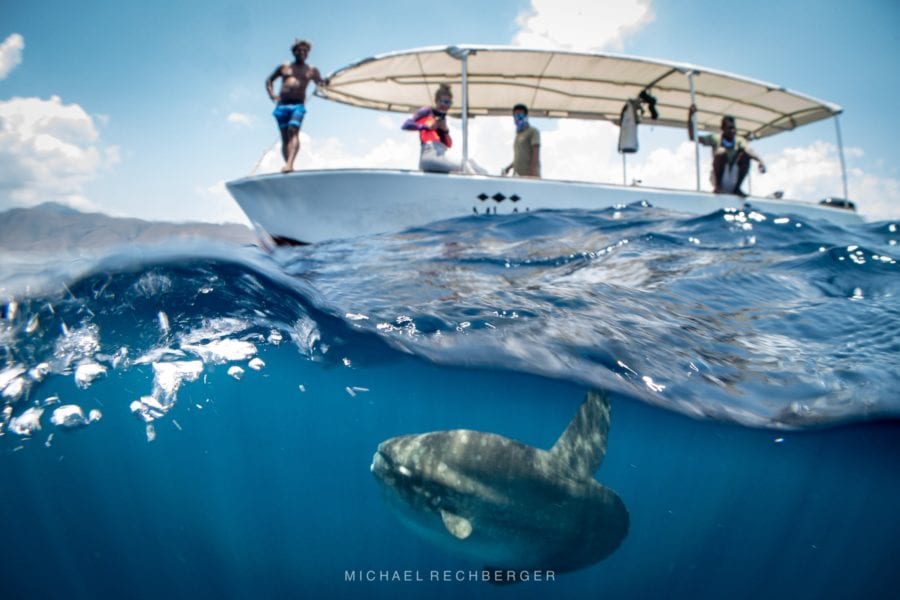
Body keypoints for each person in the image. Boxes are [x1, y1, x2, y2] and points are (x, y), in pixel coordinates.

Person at [266, 39, 325, 173]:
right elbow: (269, 80)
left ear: (308, 53)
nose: (302, 53)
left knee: (293, 130)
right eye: (299, 50)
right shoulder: (284, 67)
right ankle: (288, 166)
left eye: (305, 51)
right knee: (284, 136)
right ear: (294, 52)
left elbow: (320, 84)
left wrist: (325, 82)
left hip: (297, 105)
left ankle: (290, 164)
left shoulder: (311, 70)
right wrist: (272, 95)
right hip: (282, 106)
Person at [688, 105, 766, 196]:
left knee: (745, 155)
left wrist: (760, 161)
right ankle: (718, 187)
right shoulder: (715, 138)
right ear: (723, 129)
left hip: (733, 177)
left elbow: (748, 150)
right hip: (719, 178)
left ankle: (737, 189)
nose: (732, 131)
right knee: (721, 151)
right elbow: (693, 137)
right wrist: (690, 116)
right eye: (729, 128)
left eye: (734, 128)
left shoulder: (739, 140)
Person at [502, 104, 541, 178]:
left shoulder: (533, 131)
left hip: (530, 175)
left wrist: (532, 173)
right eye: (516, 115)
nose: (518, 117)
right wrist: (509, 167)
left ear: (526, 116)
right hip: (517, 176)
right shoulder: (518, 135)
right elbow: (520, 156)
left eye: (520, 115)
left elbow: (535, 153)